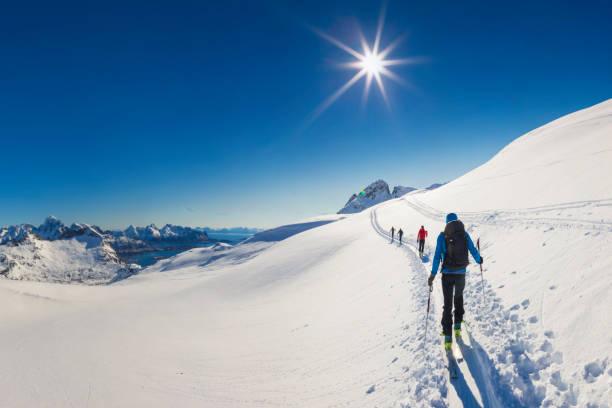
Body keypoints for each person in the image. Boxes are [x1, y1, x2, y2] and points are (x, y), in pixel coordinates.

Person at [427, 213, 483, 349]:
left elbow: (436, 257)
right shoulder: (464, 234)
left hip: (447, 274)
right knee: (458, 297)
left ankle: (447, 337)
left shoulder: (442, 236)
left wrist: (433, 275)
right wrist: (479, 259)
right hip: (461, 273)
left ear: (446, 223)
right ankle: (457, 325)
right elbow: (472, 248)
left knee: (447, 303)